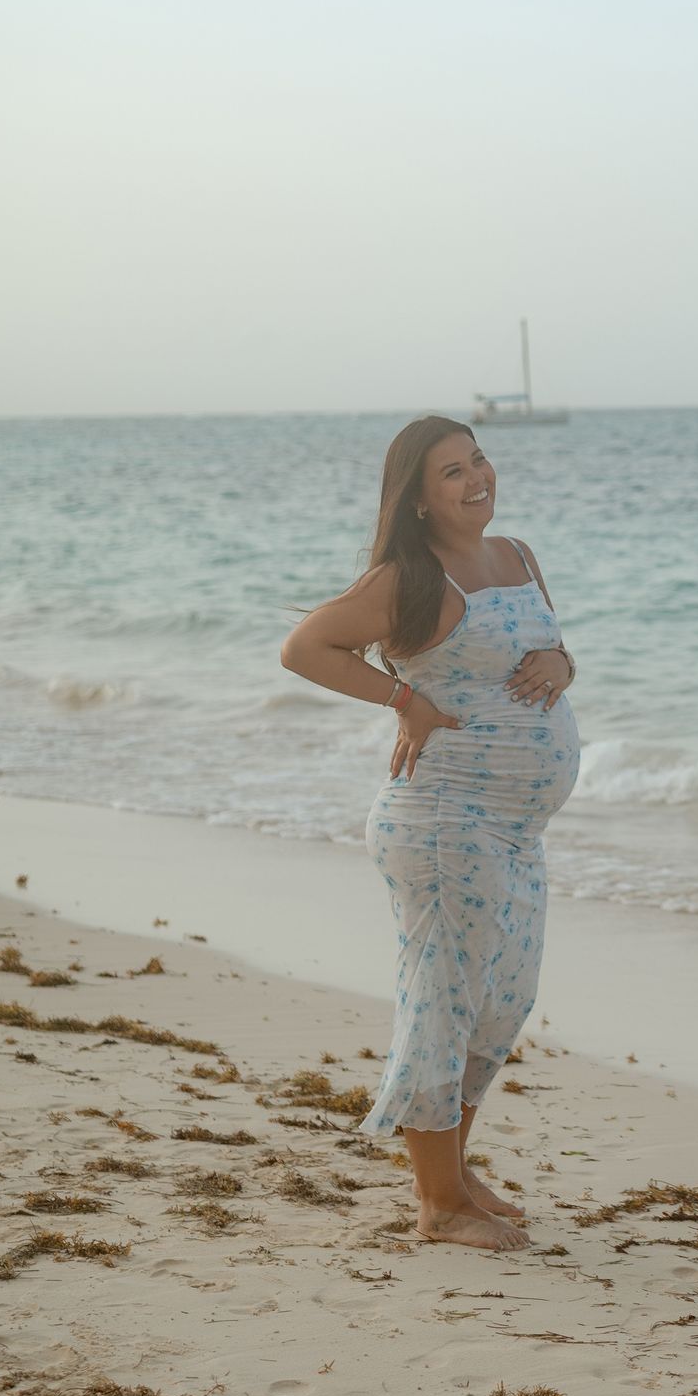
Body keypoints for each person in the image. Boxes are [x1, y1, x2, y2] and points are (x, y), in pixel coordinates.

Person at [281, 416, 579, 1253]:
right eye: (452, 471)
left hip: (516, 830)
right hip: (447, 824)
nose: (476, 477)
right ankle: (437, 1204)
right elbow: (306, 647)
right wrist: (403, 701)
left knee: (499, 1003)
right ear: (416, 500)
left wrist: (565, 666)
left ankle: (455, 1173)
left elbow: (547, 652)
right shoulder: (406, 578)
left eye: (478, 459)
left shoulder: (516, 555)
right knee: (445, 1004)